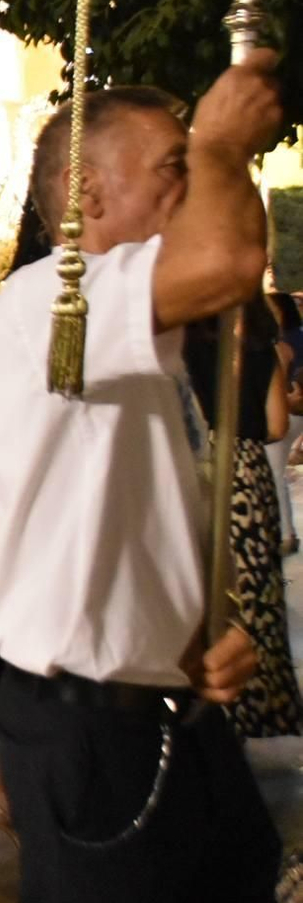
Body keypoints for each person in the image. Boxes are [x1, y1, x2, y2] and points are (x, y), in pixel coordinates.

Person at [0, 58, 288, 903]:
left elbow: (124, 521)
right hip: (86, 731)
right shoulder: (49, 301)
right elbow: (227, 257)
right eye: (171, 168)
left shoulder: (138, 340)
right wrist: (224, 142)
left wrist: (187, 639)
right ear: (86, 193)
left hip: (167, 713)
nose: (191, 185)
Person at [183, 297, 303, 740]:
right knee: (254, 587)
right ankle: (258, 705)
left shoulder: (182, 353)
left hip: (198, 471)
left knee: (206, 587)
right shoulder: (260, 352)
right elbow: (275, 426)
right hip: (247, 472)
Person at [266, 292, 303, 554]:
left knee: (275, 474)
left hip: (286, 409)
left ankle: (285, 534)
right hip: (297, 411)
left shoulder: (280, 344)